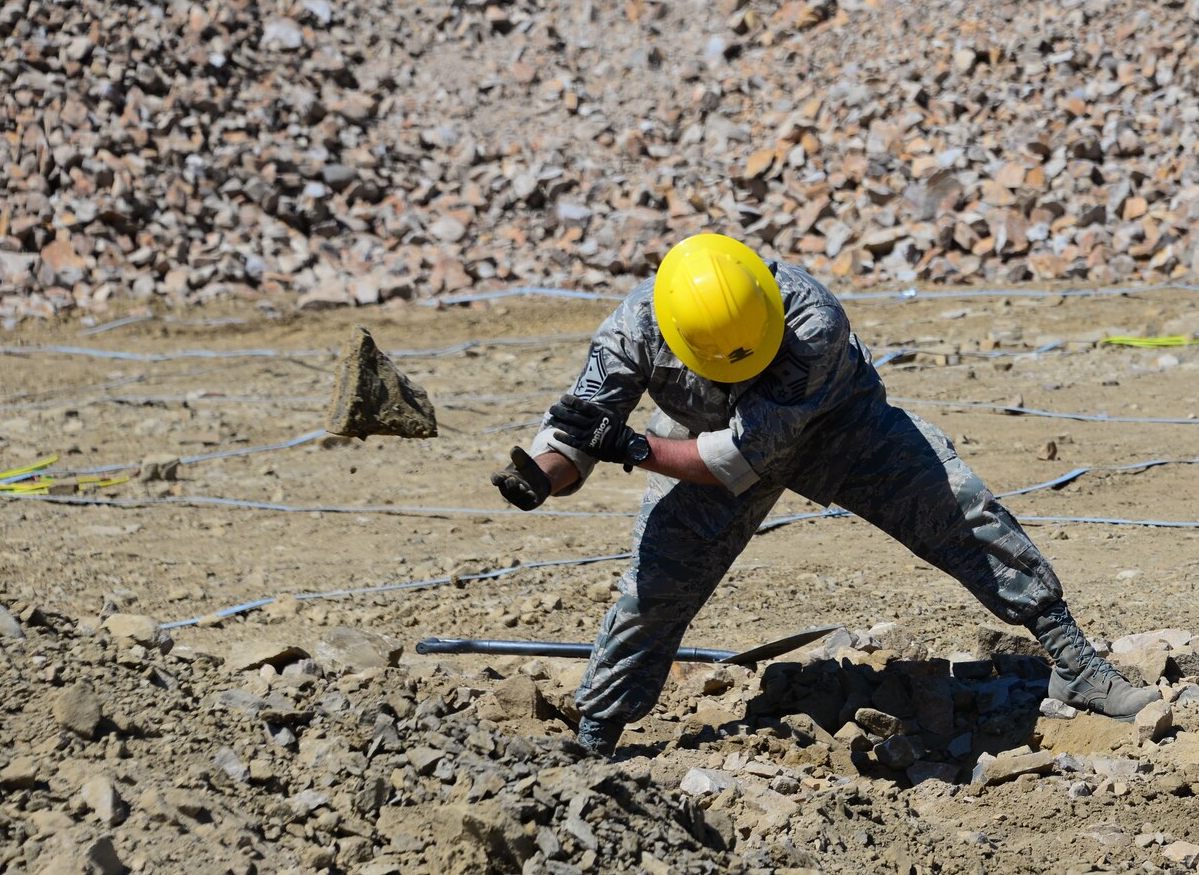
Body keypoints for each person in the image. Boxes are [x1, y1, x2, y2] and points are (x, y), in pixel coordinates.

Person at [492, 232, 1159, 755]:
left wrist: (637, 448)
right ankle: (596, 733)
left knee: (961, 511)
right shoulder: (632, 329)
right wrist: (542, 477)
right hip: (699, 437)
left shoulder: (812, 319)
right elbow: (576, 433)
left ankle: (1077, 663)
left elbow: (742, 456)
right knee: (654, 587)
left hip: (838, 425)